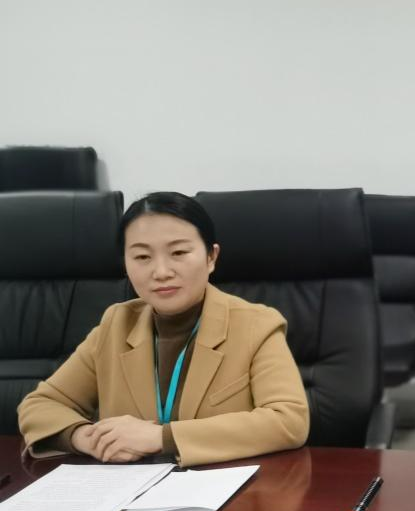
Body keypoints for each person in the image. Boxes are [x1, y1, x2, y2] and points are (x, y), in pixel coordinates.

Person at [18, 192, 309, 466]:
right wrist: (86, 438)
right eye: (142, 257)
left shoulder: (256, 325)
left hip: (227, 492)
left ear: (211, 257)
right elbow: (41, 404)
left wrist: (160, 438)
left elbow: (289, 420)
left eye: (178, 252)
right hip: (128, 493)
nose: (161, 272)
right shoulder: (116, 324)